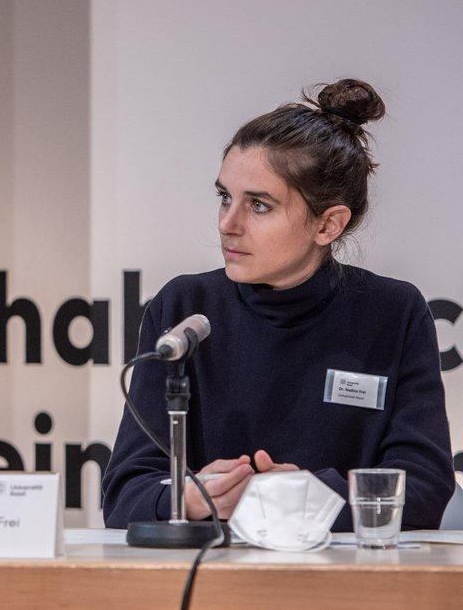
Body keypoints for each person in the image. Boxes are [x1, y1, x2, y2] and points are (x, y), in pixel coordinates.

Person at [102, 78, 455, 532]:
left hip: (347, 572)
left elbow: (424, 488)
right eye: (225, 197)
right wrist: (186, 499)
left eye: (259, 206)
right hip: (214, 570)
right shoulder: (185, 308)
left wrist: (308, 496)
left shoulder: (393, 312)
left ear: (328, 225)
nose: (228, 224)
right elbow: (125, 494)